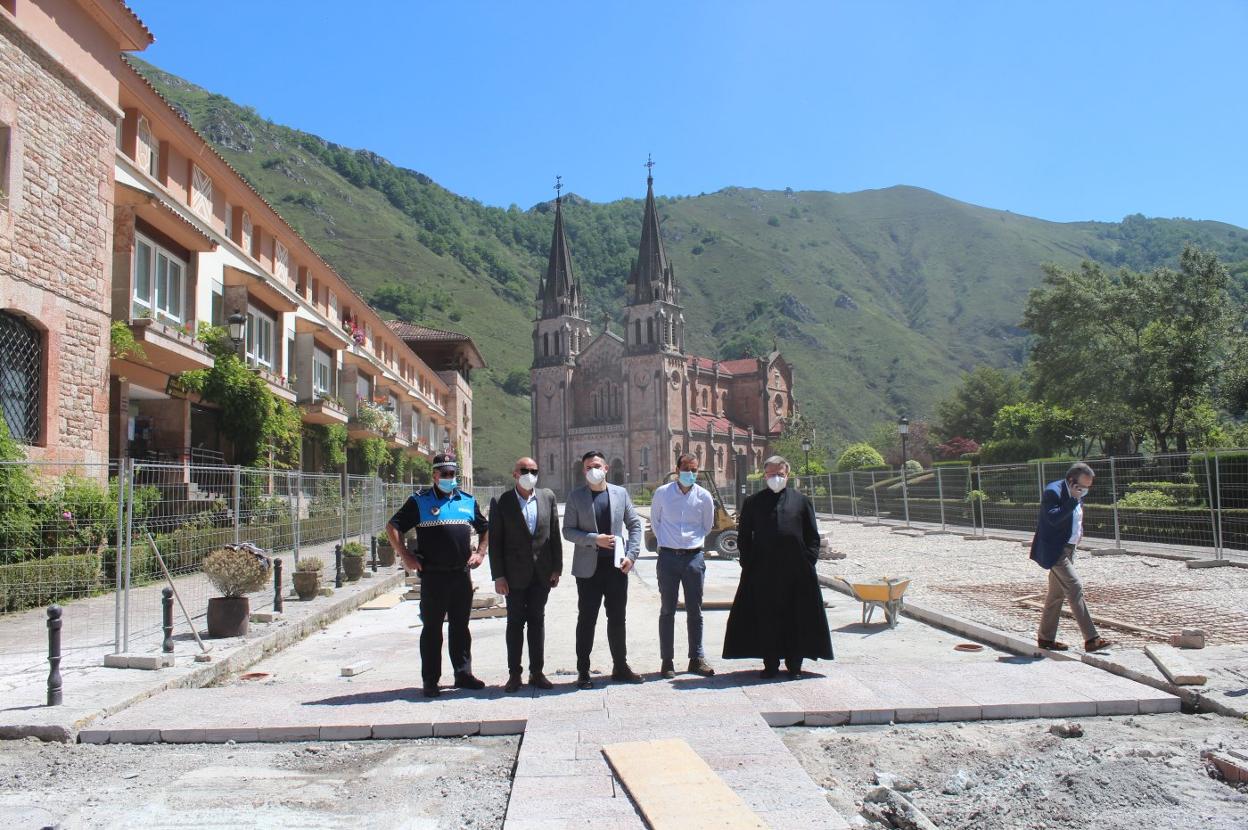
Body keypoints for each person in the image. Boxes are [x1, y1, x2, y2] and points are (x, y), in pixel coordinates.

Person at [386, 452, 489, 698]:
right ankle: (431, 681)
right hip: (433, 576)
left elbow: (485, 528)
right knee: (432, 629)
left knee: (460, 628)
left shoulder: (467, 501)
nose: (449, 478)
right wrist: (405, 555)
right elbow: (393, 527)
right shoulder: (419, 501)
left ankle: (463, 674)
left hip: (461, 575)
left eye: (452, 474)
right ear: (434, 475)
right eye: (444, 474)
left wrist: (481, 553)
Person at [723, 455, 833, 679]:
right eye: (771, 474)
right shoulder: (753, 502)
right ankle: (770, 664)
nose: (776, 478)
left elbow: (812, 536)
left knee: (797, 617)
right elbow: (744, 537)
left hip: (797, 573)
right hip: (764, 572)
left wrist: (808, 560)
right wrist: (749, 563)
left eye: (780, 474)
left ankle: (795, 665)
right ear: (765, 475)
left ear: (787, 474)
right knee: (766, 618)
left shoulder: (801, 501)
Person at [562, 450, 644, 688]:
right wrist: (593, 538)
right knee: (587, 619)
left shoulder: (620, 494)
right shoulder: (576, 496)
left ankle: (620, 666)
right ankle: (583, 671)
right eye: (588, 467)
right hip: (588, 570)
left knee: (617, 618)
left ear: (606, 468)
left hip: (617, 567)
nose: (592, 470)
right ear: (583, 471)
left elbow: (635, 525)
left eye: (596, 465)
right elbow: (567, 531)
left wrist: (632, 555)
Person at [488, 456, 562, 693]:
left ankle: (537, 672)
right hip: (513, 576)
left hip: (541, 574)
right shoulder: (501, 501)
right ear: (515, 474)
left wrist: (556, 568)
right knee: (515, 623)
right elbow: (495, 542)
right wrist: (498, 575)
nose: (529, 474)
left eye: (533, 470)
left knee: (537, 622)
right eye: (524, 470)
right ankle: (514, 674)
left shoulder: (547, 497)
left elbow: (554, 535)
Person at [1030, 462, 1113, 653]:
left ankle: (1045, 639)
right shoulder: (1053, 491)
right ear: (1071, 481)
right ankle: (1091, 639)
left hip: (1069, 548)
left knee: (1056, 595)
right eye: (1082, 487)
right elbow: (1052, 519)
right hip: (1055, 550)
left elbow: (1075, 517)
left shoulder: (1077, 493)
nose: (1085, 491)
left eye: (1087, 488)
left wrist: (1078, 532)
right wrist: (1073, 500)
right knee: (1074, 586)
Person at [650, 452, 716, 678]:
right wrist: (669, 543)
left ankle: (696, 658)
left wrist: (689, 543)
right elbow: (656, 522)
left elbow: (707, 526)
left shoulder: (704, 496)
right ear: (677, 470)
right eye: (686, 469)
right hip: (668, 558)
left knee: (695, 611)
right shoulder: (662, 494)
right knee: (667, 610)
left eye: (694, 469)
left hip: (694, 558)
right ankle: (667, 661)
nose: (691, 473)